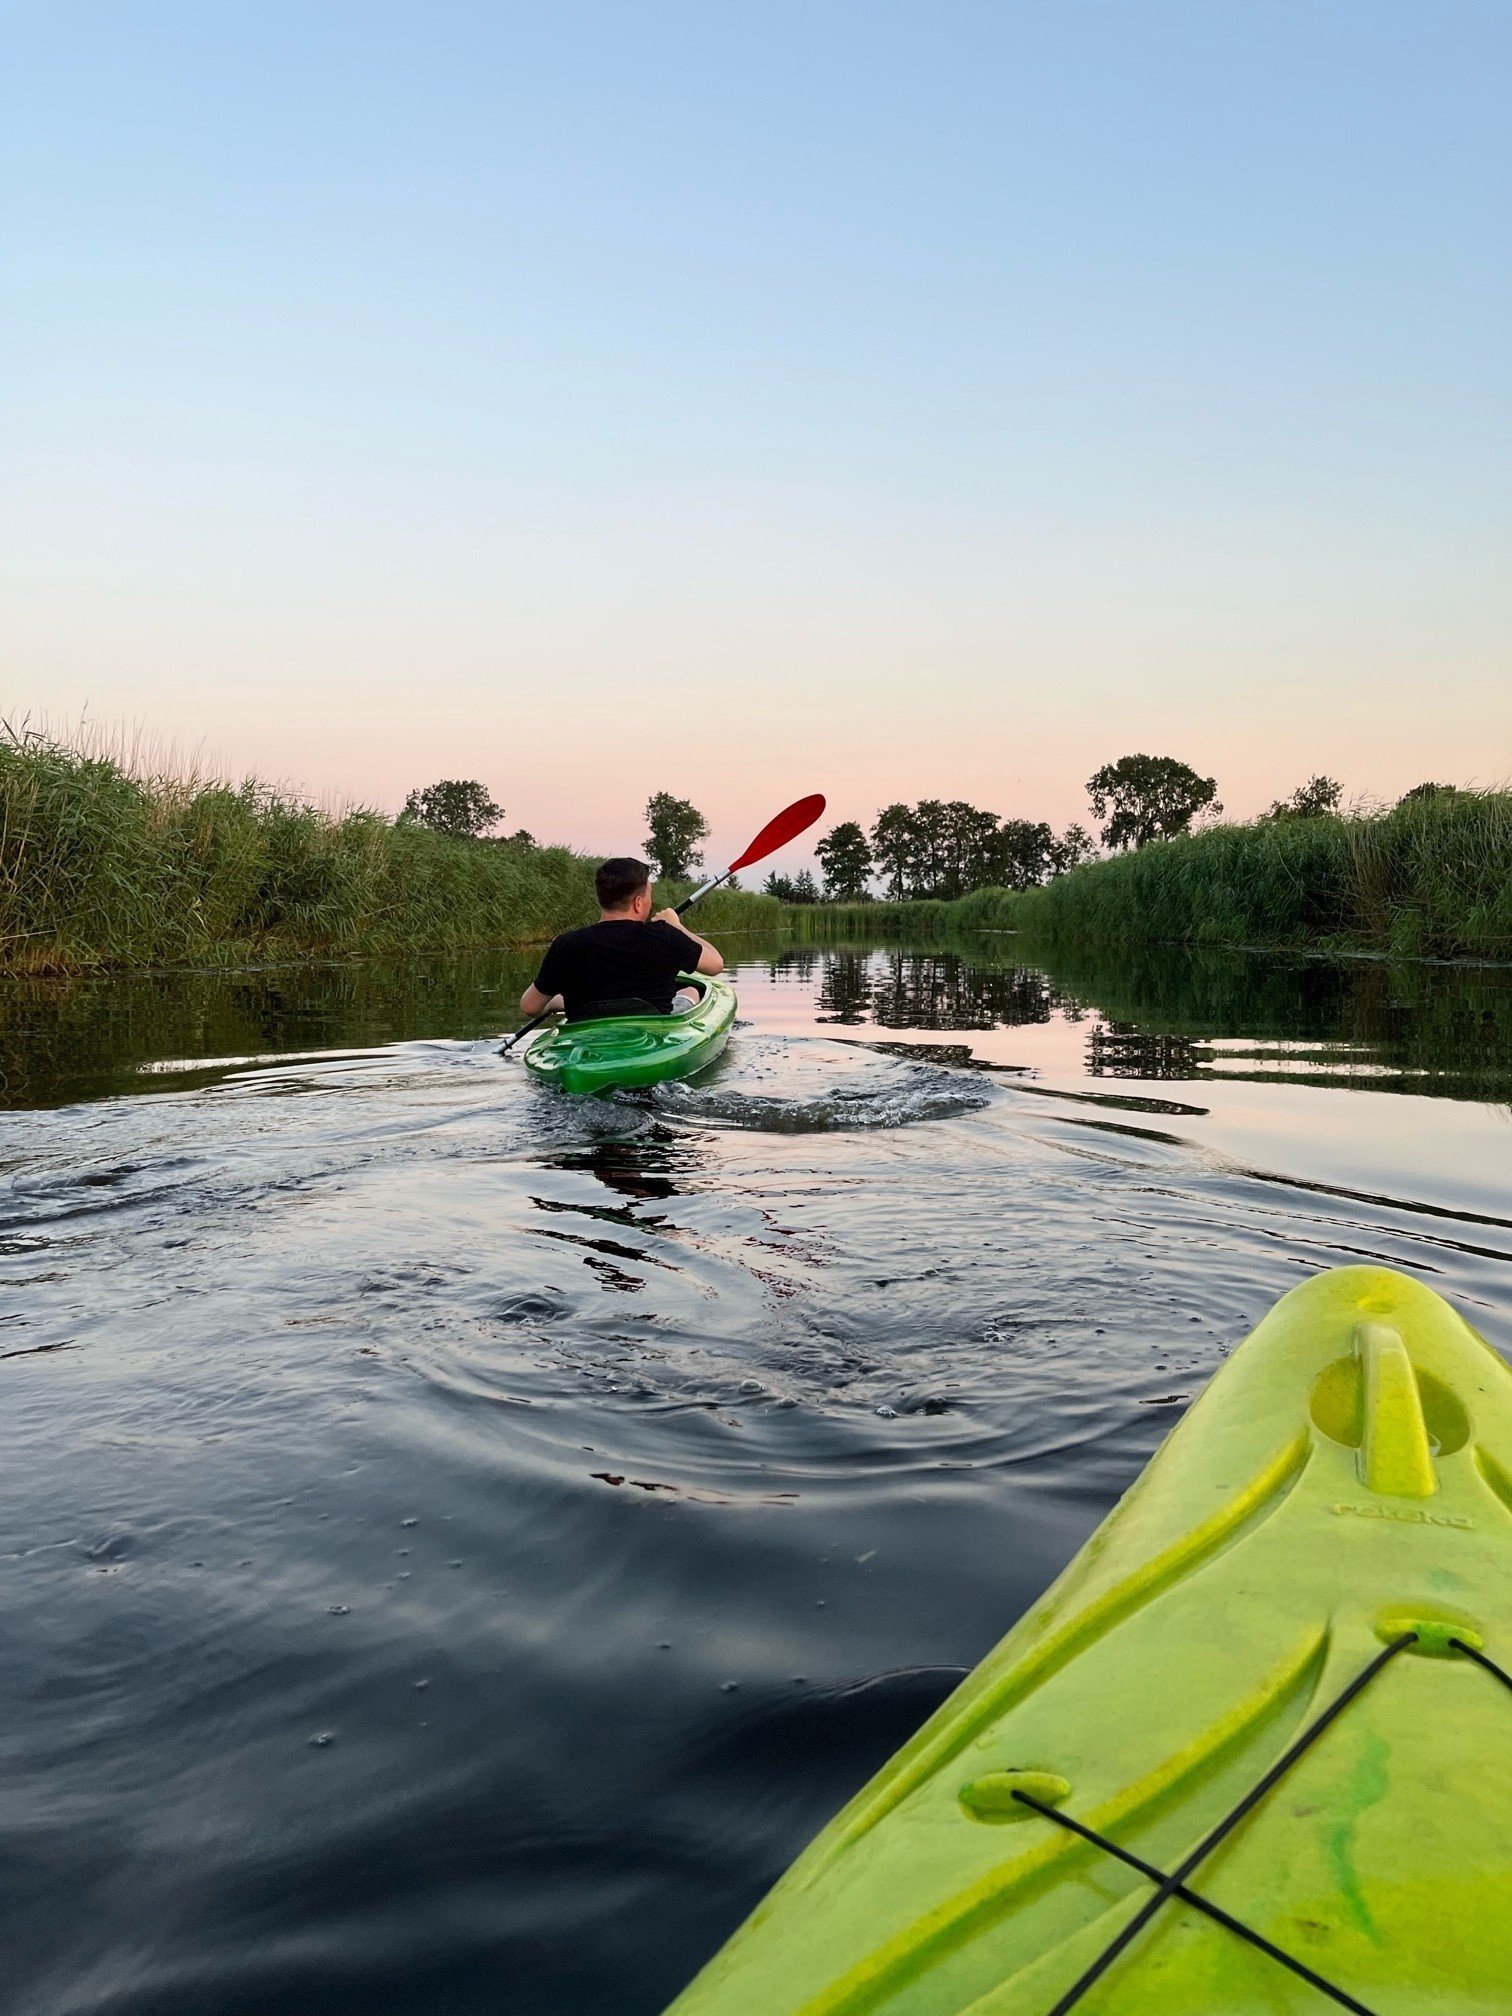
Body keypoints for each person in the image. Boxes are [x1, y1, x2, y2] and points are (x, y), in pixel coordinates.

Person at [519, 857, 724, 1023]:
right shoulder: (665, 935)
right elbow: (715, 964)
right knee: (690, 990)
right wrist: (677, 926)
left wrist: (556, 1003)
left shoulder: (567, 943)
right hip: (652, 1037)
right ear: (637, 903)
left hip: (588, 1039)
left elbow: (529, 1007)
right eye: (648, 895)